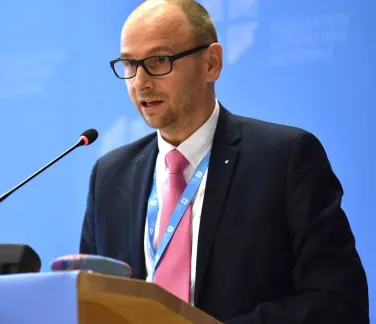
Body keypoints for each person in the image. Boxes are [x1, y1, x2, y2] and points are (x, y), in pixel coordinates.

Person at [78, 0, 369, 322]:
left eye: (159, 60)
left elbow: (339, 303)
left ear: (211, 64)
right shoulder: (110, 176)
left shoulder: (284, 159)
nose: (140, 82)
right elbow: (92, 304)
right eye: (130, 64)